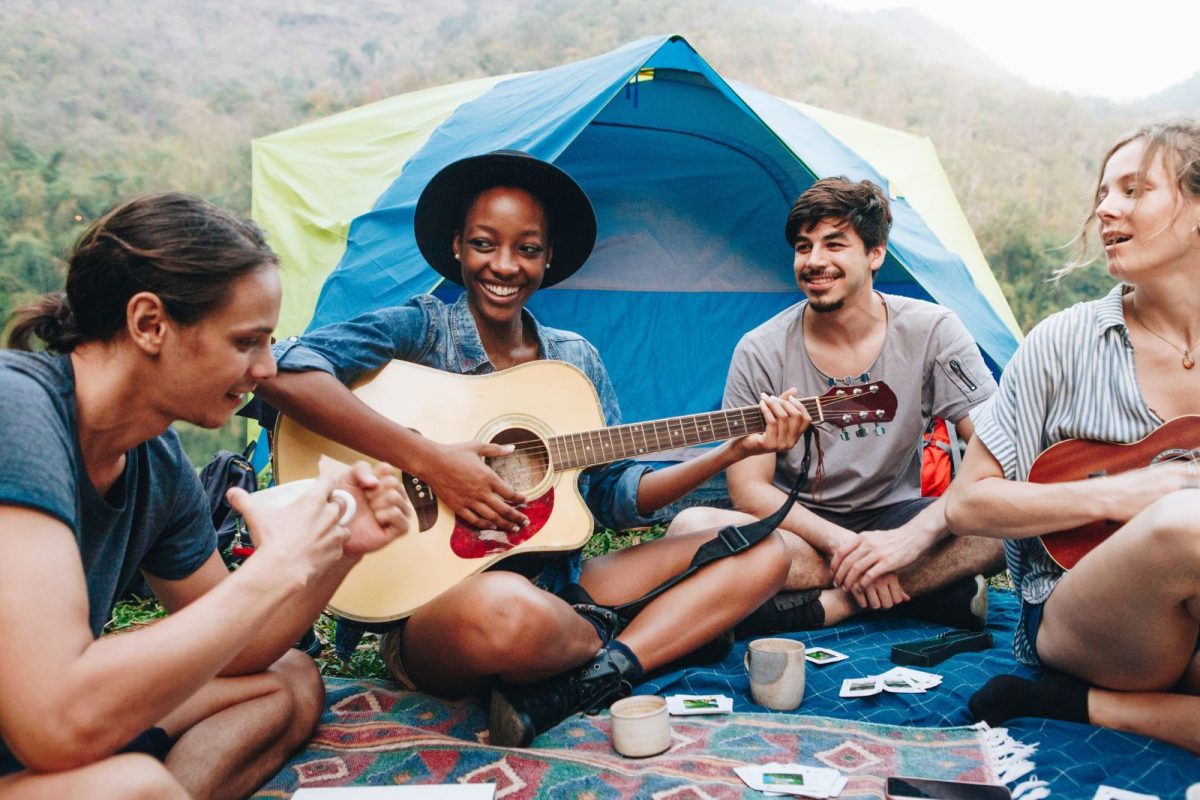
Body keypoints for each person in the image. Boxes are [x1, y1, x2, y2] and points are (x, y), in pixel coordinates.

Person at [252, 151, 810, 747]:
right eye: (485, 244)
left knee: (766, 553)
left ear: (548, 259)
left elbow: (616, 497)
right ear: (458, 249)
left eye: (527, 249)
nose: (505, 265)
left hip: (564, 587)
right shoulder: (421, 330)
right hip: (442, 608)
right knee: (505, 611)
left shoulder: (573, 361)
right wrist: (432, 462)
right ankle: (642, 638)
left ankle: (592, 676)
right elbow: (284, 369)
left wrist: (729, 452)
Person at [0, 192, 410, 799]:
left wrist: (336, 549)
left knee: (288, 679)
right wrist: (272, 569)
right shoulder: (19, 413)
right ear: (149, 324)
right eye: (247, 341)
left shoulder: (153, 457)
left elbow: (236, 651)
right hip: (44, 722)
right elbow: (53, 726)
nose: (268, 369)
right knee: (133, 787)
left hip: (36, 729)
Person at [945, 120, 1200, 754]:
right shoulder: (1063, 341)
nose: (1105, 208)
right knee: (1184, 522)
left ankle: (1080, 707)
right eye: (1104, 192)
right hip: (1081, 614)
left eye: (1135, 190)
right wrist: (1121, 496)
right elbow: (966, 503)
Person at [668, 177, 1006, 635]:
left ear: (875, 253)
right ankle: (910, 593)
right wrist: (846, 545)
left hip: (898, 519)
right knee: (689, 528)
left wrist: (912, 539)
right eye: (803, 247)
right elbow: (750, 490)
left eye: (833, 244)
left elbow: (996, 448)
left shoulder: (934, 331)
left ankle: (821, 607)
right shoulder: (761, 349)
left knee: (1007, 523)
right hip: (797, 525)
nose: (815, 261)